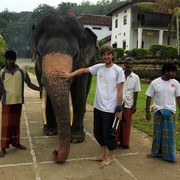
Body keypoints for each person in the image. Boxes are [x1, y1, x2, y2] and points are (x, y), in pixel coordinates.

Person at [60, 46, 125, 166]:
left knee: (109, 133)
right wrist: (70, 75)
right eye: (104, 55)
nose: (106, 57)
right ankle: (101, 154)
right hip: (98, 106)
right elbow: (83, 70)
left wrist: (119, 109)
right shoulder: (99, 68)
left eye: (108, 54)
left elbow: (120, 90)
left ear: (112, 55)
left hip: (110, 109)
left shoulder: (118, 70)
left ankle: (110, 156)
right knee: (98, 132)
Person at [0, 50, 41, 158]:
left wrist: (40, 89)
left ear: (15, 59)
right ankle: (3, 148)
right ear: (6, 60)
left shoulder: (22, 71)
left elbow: (29, 84)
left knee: (16, 124)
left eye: (13, 59)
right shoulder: (2, 73)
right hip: (6, 102)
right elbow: (1, 89)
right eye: (9, 60)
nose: (11, 61)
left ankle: (16, 143)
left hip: (18, 102)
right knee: (5, 126)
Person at [145, 63, 180, 163]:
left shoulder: (176, 83)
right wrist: (147, 112)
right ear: (166, 72)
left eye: (175, 71)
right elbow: (148, 97)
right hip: (158, 112)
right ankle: (155, 153)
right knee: (157, 134)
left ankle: (170, 156)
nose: (174, 73)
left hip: (171, 112)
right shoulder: (155, 83)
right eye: (172, 71)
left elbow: (178, 98)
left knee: (169, 135)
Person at [116, 57, 141, 149]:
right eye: (127, 63)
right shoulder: (119, 75)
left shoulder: (135, 77)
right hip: (118, 102)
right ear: (124, 64)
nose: (129, 65)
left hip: (128, 103)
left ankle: (125, 142)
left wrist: (135, 104)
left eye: (130, 64)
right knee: (116, 123)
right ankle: (115, 141)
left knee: (127, 124)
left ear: (133, 65)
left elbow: (136, 91)